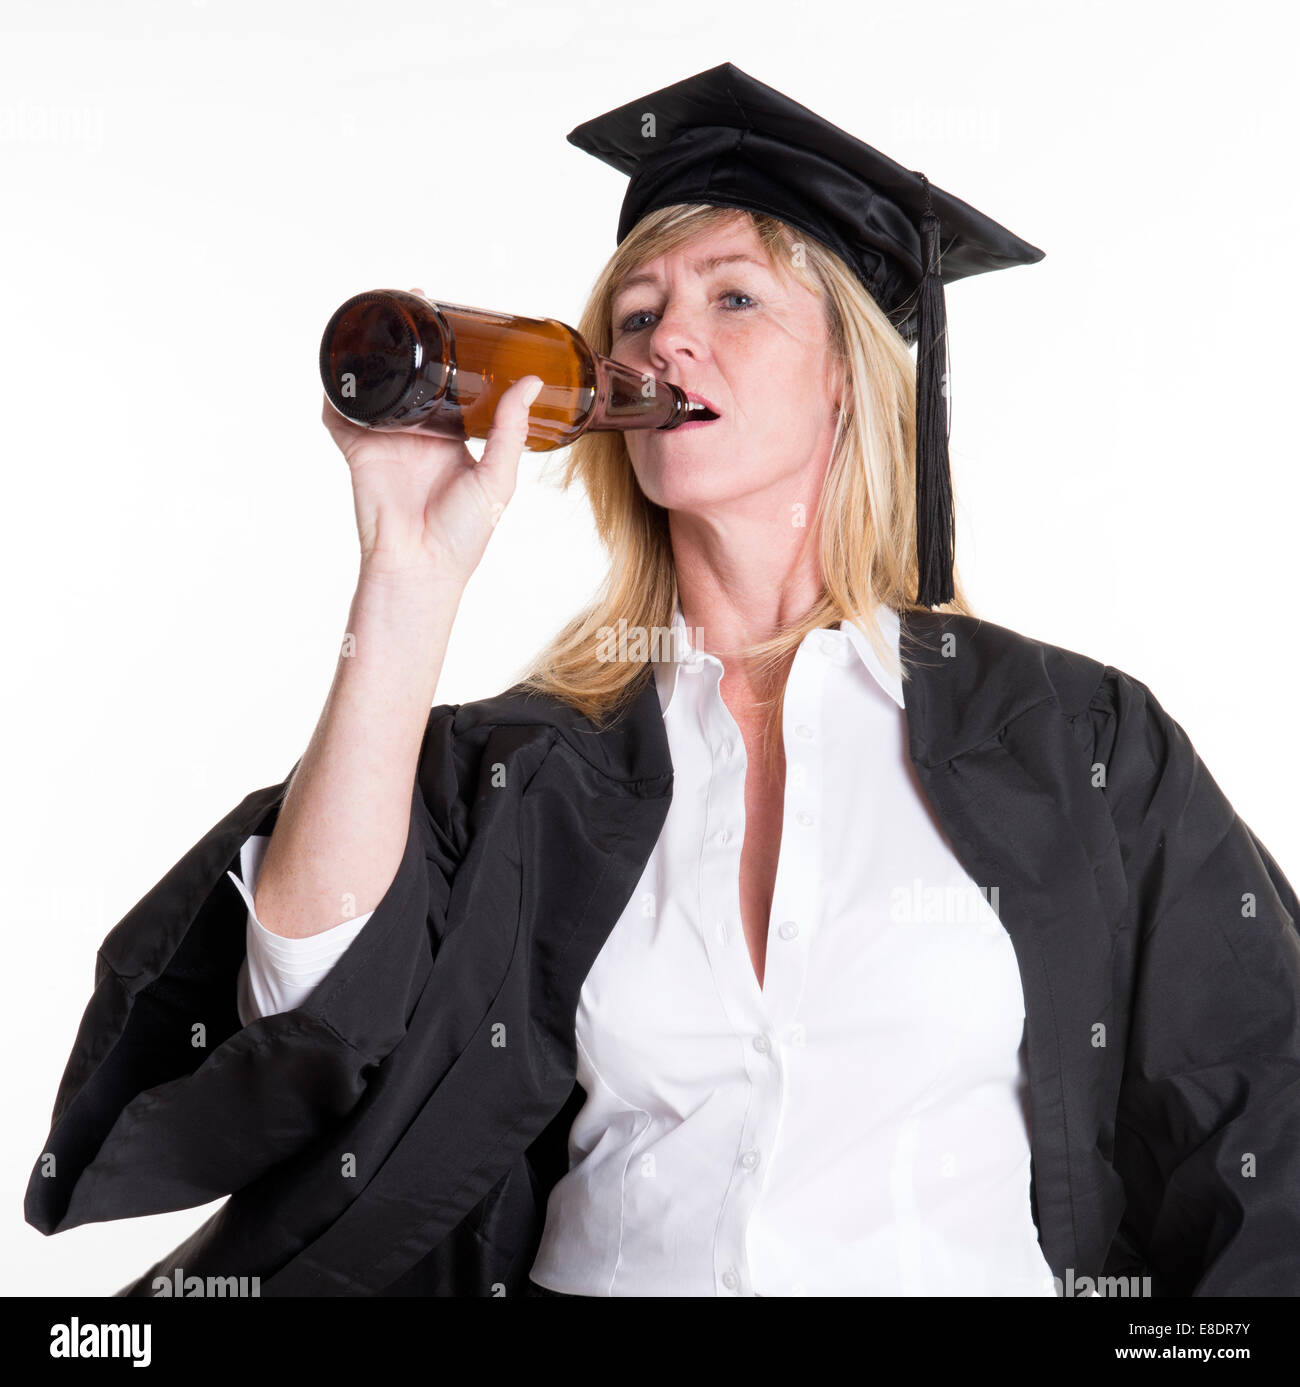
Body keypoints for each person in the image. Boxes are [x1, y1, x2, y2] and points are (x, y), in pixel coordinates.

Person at [26, 64, 1300, 1299]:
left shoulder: (1072, 742)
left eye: (732, 300)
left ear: (849, 380)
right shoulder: (536, 771)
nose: (666, 336)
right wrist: (405, 586)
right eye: (635, 316)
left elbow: (1254, 1114)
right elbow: (310, 1003)